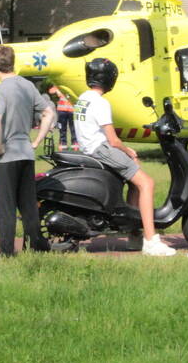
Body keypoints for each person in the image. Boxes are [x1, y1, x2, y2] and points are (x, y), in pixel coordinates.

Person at [73, 58, 176, 257]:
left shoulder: (83, 98)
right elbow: (112, 140)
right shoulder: (100, 103)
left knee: (134, 180)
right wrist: (128, 151)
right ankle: (150, 240)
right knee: (147, 183)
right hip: (101, 149)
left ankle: (134, 234)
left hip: (90, 149)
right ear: (109, 79)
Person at [0, 45, 55, 257]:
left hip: (6, 157)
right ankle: (36, 245)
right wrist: (36, 141)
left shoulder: (0, 90)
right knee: (27, 204)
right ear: (13, 62)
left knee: (5, 207)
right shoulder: (27, 85)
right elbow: (47, 112)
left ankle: (7, 252)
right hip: (26, 152)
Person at [48, 84, 77, 151]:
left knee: (73, 129)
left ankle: (75, 145)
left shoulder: (73, 86)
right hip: (62, 110)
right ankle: (63, 145)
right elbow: (51, 91)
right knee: (62, 129)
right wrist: (57, 88)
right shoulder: (60, 85)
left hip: (72, 110)